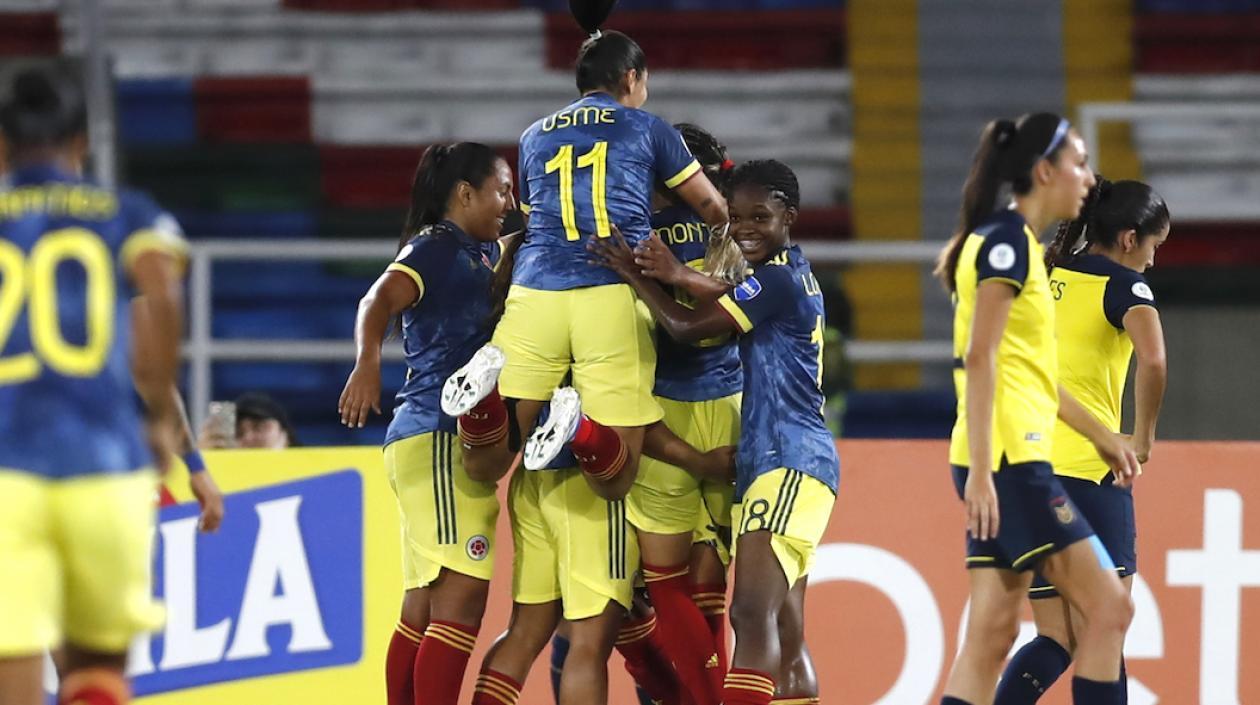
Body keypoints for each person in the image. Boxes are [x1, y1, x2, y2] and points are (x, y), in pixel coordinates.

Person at [442, 21, 729, 505]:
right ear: (632, 78)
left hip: (535, 293)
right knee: (615, 480)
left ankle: (484, 400)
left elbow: (525, 226)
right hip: (613, 291)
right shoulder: (650, 128)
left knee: (484, 463)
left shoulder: (534, 136)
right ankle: (577, 427)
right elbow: (714, 209)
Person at [591, 159, 839, 705]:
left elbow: (685, 327)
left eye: (761, 217)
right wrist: (679, 275)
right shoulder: (786, 274)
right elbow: (724, 291)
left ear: (789, 217)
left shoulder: (774, 281)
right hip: (783, 463)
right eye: (738, 217)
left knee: (750, 612)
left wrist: (636, 274)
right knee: (785, 630)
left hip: (788, 460)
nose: (746, 228)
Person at [933, 113, 1141, 705]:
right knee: (1109, 608)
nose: (1087, 175)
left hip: (1002, 459)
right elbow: (981, 358)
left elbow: (1031, 373)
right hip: (1007, 466)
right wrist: (980, 473)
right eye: (1078, 160)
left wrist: (1100, 434)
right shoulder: (1005, 243)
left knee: (991, 637)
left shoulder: (1015, 242)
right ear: (1044, 171)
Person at [0, 67, 185, 705]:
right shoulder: (125, 211)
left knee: (13, 663)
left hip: (5, 468)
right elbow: (162, 290)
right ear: (82, 141)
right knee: (97, 669)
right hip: (103, 461)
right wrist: (158, 415)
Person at [337, 142, 515, 705]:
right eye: (501, 189)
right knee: (461, 600)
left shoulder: (477, 249)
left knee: (423, 606)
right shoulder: (436, 248)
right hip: (438, 434)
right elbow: (377, 299)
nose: (510, 201)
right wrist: (367, 362)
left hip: (427, 441)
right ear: (465, 194)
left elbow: (517, 234)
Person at [994, 178, 1169, 704]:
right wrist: (1142, 437)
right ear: (1129, 239)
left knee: (1059, 636)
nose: (1154, 262)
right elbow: (1155, 359)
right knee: (1106, 625)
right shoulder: (1124, 286)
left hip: (1024, 469)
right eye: (1155, 248)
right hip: (1087, 473)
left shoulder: (1045, 275)